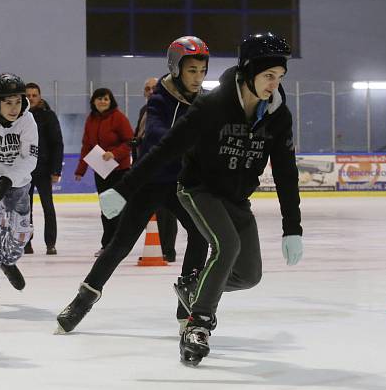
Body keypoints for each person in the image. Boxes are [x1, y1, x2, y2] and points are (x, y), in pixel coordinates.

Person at [98, 32, 304, 365]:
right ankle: (199, 324)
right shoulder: (214, 105)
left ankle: (193, 291)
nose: (274, 84)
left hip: (236, 199)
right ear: (249, 73)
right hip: (198, 188)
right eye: (268, 76)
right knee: (226, 246)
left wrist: (292, 227)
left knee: (249, 275)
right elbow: (168, 147)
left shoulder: (278, 115)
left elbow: (285, 171)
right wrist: (125, 189)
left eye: (279, 77)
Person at [56, 36, 211, 334]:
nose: (198, 78)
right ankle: (83, 299)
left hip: (182, 186)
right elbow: (155, 133)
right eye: (192, 70)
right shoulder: (160, 99)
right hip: (150, 182)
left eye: (202, 71)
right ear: (176, 69)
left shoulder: (204, 101)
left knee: (200, 234)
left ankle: (187, 304)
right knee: (120, 244)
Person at [0, 73, 38, 312]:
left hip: (19, 183)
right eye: (8, 102)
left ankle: (7, 260)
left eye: (18, 102)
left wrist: (8, 180)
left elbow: (29, 159)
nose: (14, 108)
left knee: (22, 234)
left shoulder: (28, 122)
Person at [74, 88, 134, 257]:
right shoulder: (90, 120)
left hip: (119, 170)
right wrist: (80, 170)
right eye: (99, 99)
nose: (102, 102)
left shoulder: (118, 118)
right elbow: (86, 145)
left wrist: (115, 153)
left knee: (117, 208)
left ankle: (120, 244)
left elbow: (131, 141)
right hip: (101, 171)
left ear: (111, 101)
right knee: (106, 209)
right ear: (93, 101)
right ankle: (107, 244)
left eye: (106, 99)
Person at [132, 76, 178, 263]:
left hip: (166, 166)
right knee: (154, 210)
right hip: (148, 166)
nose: (150, 91)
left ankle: (168, 249)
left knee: (168, 211)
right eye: (147, 88)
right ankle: (160, 247)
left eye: (153, 88)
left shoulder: (168, 108)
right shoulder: (146, 109)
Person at [25, 83, 64, 255]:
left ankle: (50, 243)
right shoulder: (18, 116)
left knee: (48, 206)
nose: (31, 98)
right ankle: (26, 242)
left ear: (39, 96)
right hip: (24, 170)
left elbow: (57, 143)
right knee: (25, 208)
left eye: (34, 95)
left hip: (43, 169)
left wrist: (56, 170)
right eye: (28, 95)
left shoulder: (48, 116)